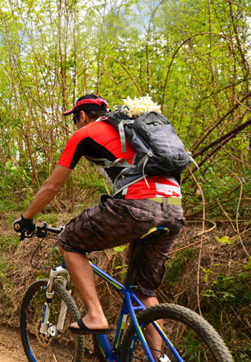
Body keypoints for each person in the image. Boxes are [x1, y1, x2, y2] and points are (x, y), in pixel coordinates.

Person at [14, 93, 185, 341]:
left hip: (137, 207)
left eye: (74, 119)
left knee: (69, 242)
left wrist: (26, 218)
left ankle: (95, 315)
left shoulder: (84, 133)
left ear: (81, 116)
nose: (75, 124)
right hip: (173, 210)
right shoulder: (131, 132)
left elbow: (52, 186)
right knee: (143, 291)